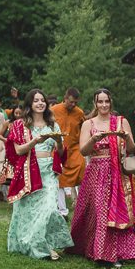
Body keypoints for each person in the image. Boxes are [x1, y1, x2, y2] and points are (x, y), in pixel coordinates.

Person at [68, 88, 135, 268]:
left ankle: (121, 252)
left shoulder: (121, 122)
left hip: (118, 172)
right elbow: (83, 151)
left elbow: (132, 149)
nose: (103, 105)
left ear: (111, 103)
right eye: (100, 102)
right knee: (101, 212)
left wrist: (126, 137)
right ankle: (102, 253)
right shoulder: (88, 124)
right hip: (97, 172)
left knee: (116, 211)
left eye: (106, 101)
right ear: (95, 103)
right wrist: (94, 139)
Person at [5, 89, 73, 260]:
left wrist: (58, 142)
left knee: (50, 209)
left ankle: (46, 244)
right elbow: (18, 150)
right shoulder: (21, 125)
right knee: (28, 211)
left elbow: (61, 152)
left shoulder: (53, 125)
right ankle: (36, 244)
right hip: (28, 172)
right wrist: (34, 141)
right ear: (30, 104)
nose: (40, 103)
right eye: (36, 100)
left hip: (48, 173)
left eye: (42, 100)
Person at [51, 88, 86, 217]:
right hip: (58, 149)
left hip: (75, 148)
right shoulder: (54, 110)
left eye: (75, 102)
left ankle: (82, 206)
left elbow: (84, 128)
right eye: (71, 102)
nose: (73, 105)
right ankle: (62, 211)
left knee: (82, 170)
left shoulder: (79, 112)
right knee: (60, 177)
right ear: (65, 98)